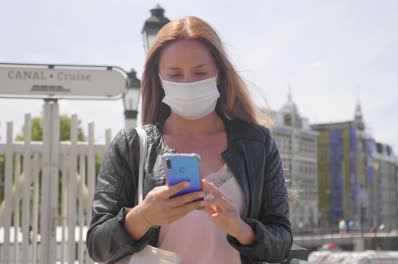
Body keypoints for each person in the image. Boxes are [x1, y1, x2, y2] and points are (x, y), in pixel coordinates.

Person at [86, 16, 292, 264]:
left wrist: (241, 229)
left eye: (200, 72)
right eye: (175, 74)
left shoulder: (257, 144)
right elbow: (97, 245)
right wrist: (143, 216)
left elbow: (282, 240)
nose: (188, 83)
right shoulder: (131, 146)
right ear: (159, 79)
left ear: (219, 73)